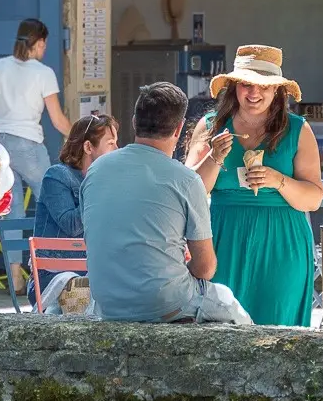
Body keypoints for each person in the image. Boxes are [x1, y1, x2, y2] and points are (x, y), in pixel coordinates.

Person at [82, 82, 251, 325]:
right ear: (179, 128)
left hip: (106, 303)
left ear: (133, 121)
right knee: (229, 303)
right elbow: (205, 269)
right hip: (166, 304)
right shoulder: (185, 180)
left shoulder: (96, 170)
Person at [185, 45, 323, 326]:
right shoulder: (210, 127)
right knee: (222, 328)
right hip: (223, 237)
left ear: (278, 91)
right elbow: (190, 193)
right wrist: (214, 157)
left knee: (279, 328)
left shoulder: (298, 130)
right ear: (234, 87)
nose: (254, 93)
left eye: (264, 86)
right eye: (246, 84)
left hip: (282, 241)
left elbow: (314, 198)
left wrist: (279, 181)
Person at [0, 18, 72, 293]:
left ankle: (15, 276)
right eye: (45, 45)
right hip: (29, 147)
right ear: (39, 43)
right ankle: (58, 270)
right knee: (55, 203)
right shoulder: (43, 73)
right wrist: (83, 134)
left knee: (12, 210)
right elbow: (57, 121)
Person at [27, 113, 118, 309]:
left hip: (92, 273)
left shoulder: (107, 184)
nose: (117, 150)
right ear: (88, 147)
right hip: (53, 278)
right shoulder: (57, 176)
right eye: (110, 143)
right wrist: (97, 184)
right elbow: (72, 225)